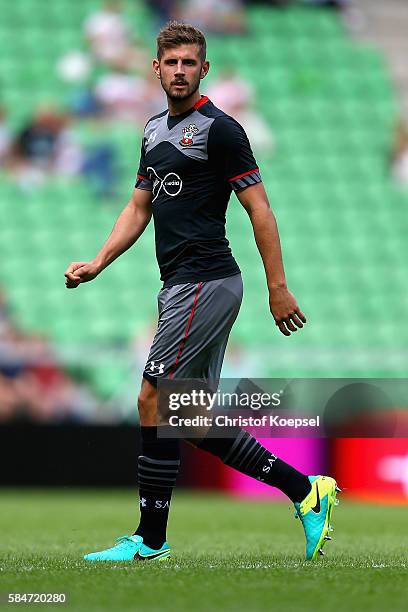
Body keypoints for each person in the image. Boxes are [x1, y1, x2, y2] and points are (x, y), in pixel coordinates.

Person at [65, 21, 340, 563]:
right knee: (187, 417)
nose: (180, 70)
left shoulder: (221, 130)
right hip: (180, 287)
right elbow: (139, 207)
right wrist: (99, 260)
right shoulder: (151, 132)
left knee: (153, 397)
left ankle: (150, 539)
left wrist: (277, 287)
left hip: (206, 280)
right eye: (171, 62)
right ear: (156, 67)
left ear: (204, 68)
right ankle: (305, 490)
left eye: (190, 62)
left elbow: (259, 208)